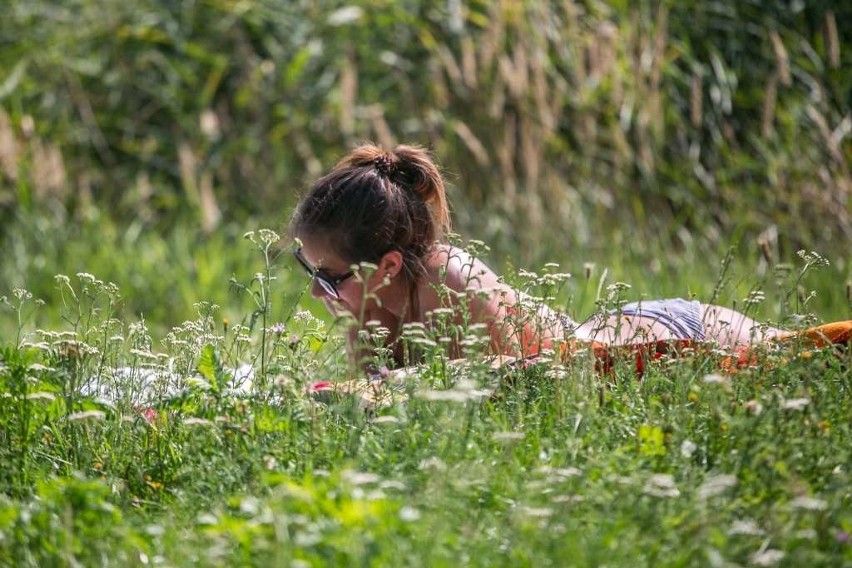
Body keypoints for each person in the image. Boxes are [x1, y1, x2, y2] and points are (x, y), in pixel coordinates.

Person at [288, 143, 787, 370]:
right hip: (621, 339)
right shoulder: (368, 311)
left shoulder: (452, 285)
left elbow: (511, 398)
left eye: (329, 278)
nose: (315, 291)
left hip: (674, 338)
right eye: (309, 271)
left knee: (812, 358)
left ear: (388, 267)